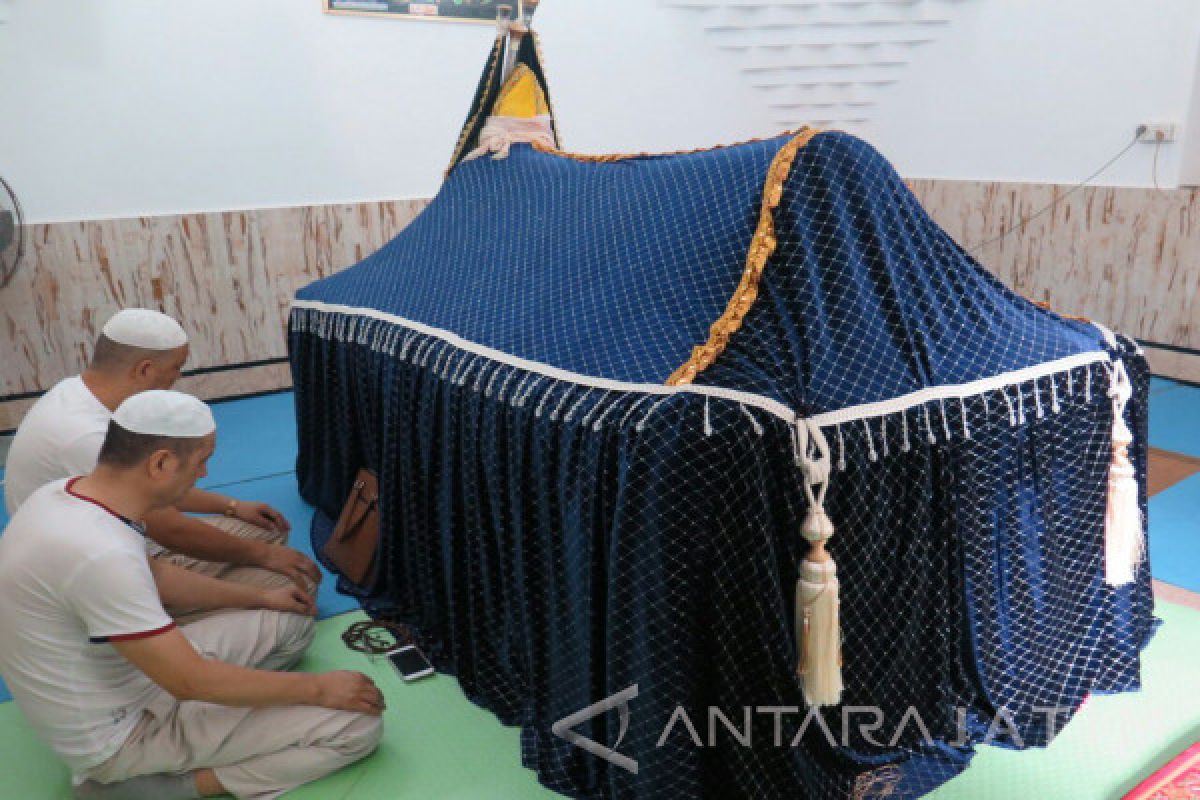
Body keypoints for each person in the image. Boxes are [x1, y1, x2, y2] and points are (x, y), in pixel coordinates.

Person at [0, 391, 384, 800]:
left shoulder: (68, 493)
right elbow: (188, 680)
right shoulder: (99, 554)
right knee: (356, 727)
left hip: (131, 677)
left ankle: (220, 724)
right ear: (161, 462)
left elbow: (158, 577)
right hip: (122, 736)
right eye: (201, 460)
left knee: (288, 622)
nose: (203, 474)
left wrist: (261, 599)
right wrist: (320, 689)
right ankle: (155, 787)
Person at [3, 309, 320, 618]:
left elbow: (156, 487)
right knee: (289, 587)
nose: (178, 377)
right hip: (88, 578)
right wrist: (262, 560)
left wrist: (233, 506)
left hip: (100, 543)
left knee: (264, 530)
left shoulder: (76, 392)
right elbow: (172, 530)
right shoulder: (86, 435)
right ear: (144, 370)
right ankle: (172, 619)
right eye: (177, 368)